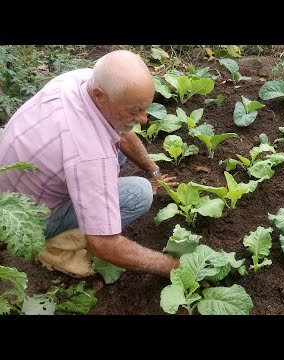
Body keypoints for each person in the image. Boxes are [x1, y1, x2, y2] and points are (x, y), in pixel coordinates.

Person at [0, 50, 179, 278]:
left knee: (119, 141)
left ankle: (92, 200)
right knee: (141, 193)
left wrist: (153, 170)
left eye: (145, 109)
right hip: (27, 219)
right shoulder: (90, 154)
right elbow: (104, 244)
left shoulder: (80, 80)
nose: (144, 119)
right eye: (135, 110)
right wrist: (172, 267)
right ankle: (53, 245)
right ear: (100, 94)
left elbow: (122, 134)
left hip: (8, 185)